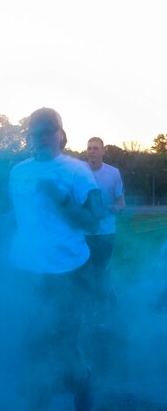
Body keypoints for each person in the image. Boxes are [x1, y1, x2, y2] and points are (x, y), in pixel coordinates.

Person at [8, 108, 103, 411]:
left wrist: (60, 199)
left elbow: (94, 221)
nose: (41, 137)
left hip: (67, 271)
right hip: (27, 272)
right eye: (35, 132)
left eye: (48, 132)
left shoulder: (77, 171)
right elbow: (18, 217)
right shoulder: (18, 172)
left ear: (62, 135)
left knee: (63, 343)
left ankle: (83, 376)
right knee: (35, 348)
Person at [85, 137, 125, 323]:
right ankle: (97, 302)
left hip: (106, 232)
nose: (91, 151)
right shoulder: (79, 172)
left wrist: (116, 208)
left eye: (95, 148)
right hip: (83, 232)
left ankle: (101, 309)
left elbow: (121, 201)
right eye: (89, 148)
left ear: (103, 152)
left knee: (100, 271)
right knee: (86, 271)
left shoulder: (113, 173)